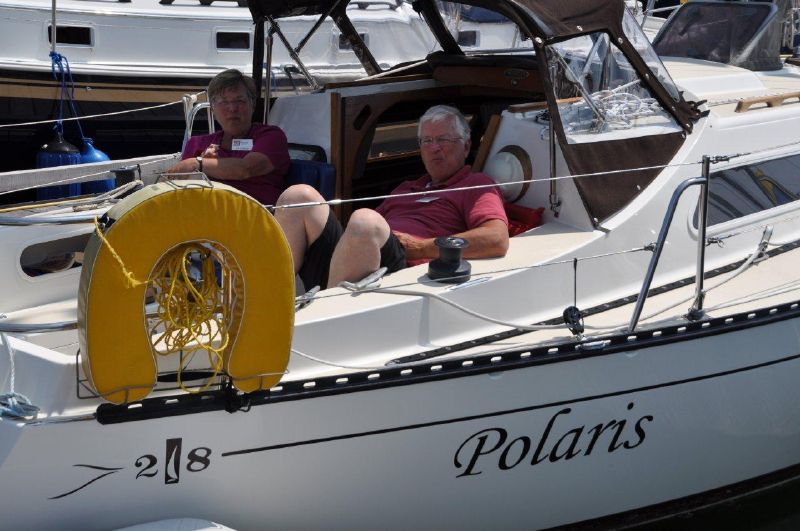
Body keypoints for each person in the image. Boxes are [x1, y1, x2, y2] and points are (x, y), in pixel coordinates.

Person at [275, 105, 509, 290]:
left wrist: (420, 247)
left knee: (365, 221)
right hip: (360, 265)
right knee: (298, 197)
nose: (434, 148)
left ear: (466, 147)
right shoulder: (406, 188)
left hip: (403, 269)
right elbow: (360, 238)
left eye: (443, 140)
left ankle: (328, 320)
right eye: (427, 141)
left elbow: (496, 238)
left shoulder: (476, 185)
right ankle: (269, 303)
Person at [167, 68, 290, 205]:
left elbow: (245, 169)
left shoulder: (270, 137)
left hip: (257, 218)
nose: (232, 108)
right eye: (223, 101)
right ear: (212, 108)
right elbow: (179, 189)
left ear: (253, 104)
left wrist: (199, 163)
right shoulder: (197, 143)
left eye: (240, 101)